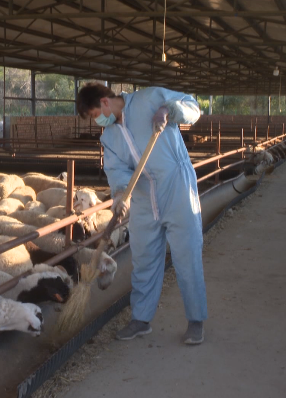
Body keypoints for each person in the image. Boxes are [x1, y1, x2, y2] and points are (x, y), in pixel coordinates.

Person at [76, 83, 207, 345]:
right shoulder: (109, 136)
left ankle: (195, 321)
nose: (98, 122)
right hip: (144, 196)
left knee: (186, 254)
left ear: (104, 102)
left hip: (176, 186)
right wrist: (120, 196)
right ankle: (141, 319)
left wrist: (169, 110)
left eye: (94, 115)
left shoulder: (149, 98)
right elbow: (116, 169)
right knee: (144, 257)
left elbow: (194, 109)